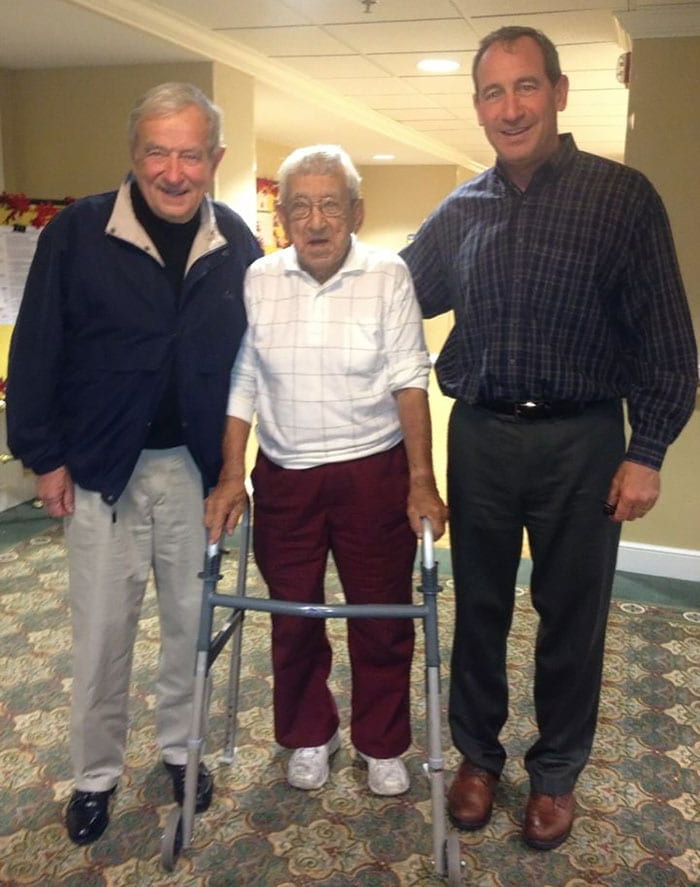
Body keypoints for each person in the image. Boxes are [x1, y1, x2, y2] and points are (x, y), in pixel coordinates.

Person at [401, 26, 697, 851]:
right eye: (493, 93)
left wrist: (648, 451)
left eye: (525, 87)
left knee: (573, 615)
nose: (510, 107)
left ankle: (557, 771)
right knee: (479, 609)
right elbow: (392, 295)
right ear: (478, 109)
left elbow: (670, 344)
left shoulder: (622, 198)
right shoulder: (458, 212)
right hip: (484, 436)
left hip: (585, 442)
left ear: (560, 93)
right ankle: (478, 758)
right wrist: (306, 267)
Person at [6, 82, 262, 845]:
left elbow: (255, 359)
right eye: (159, 151)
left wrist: (235, 469)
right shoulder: (78, 232)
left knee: (192, 624)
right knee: (101, 633)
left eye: (191, 153)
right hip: (100, 468)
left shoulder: (238, 242)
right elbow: (38, 347)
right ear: (134, 153)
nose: (174, 171)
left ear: (214, 159)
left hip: (197, 472)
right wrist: (44, 457)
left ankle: (182, 751)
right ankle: (95, 775)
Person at [205, 144, 448, 797]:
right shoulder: (260, 277)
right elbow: (244, 379)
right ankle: (311, 732)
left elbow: (408, 378)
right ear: (282, 215)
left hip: (374, 470)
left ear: (356, 212)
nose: (316, 221)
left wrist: (421, 477)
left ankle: (383, 741)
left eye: (330, 205)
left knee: (383, 615)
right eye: (301, 207)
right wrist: (233, 473)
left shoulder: (388, 274)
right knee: (292, 615)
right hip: (286, 475)